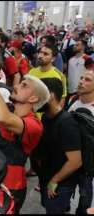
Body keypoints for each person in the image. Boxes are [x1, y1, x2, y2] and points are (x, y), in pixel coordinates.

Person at [0, 50, 50, 213]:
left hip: (11, 186)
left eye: (23, 85)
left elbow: (4, 118)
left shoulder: (34, 124)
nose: (15, 86)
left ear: (33, 99)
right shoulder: (10, 108)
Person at [35, 78, 82, 214]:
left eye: (39, 94)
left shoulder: (66, 123)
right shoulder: (45, 117)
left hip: (59, 184)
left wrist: (54, 180)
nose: (35, 98)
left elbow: (75, 161)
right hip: (47, 179)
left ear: (51, 96)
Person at [67, 69, 94, 214]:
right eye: (81, 78)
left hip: (87, 168)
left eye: (87, 79)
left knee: (84, 203)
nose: (82, 81)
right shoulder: (73, 100)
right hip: (69, 162)